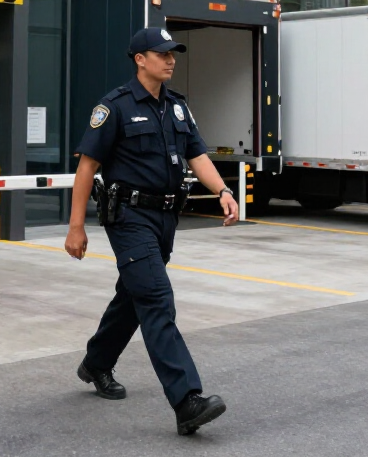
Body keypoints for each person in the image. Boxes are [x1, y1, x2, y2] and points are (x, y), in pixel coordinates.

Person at [66, 26, 240, 436]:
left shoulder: (177, 108)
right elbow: (86, 167)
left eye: (173, 52)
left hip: (165, 219)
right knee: (157, 300)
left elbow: (197, 154)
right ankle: (187, 401)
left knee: (133, 296)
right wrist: (76, 227)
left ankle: (96, 364)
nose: (171, 58)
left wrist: (224, 191)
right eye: (161, 53)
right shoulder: (115, 106)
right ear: (139, 59)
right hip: (128, 218)